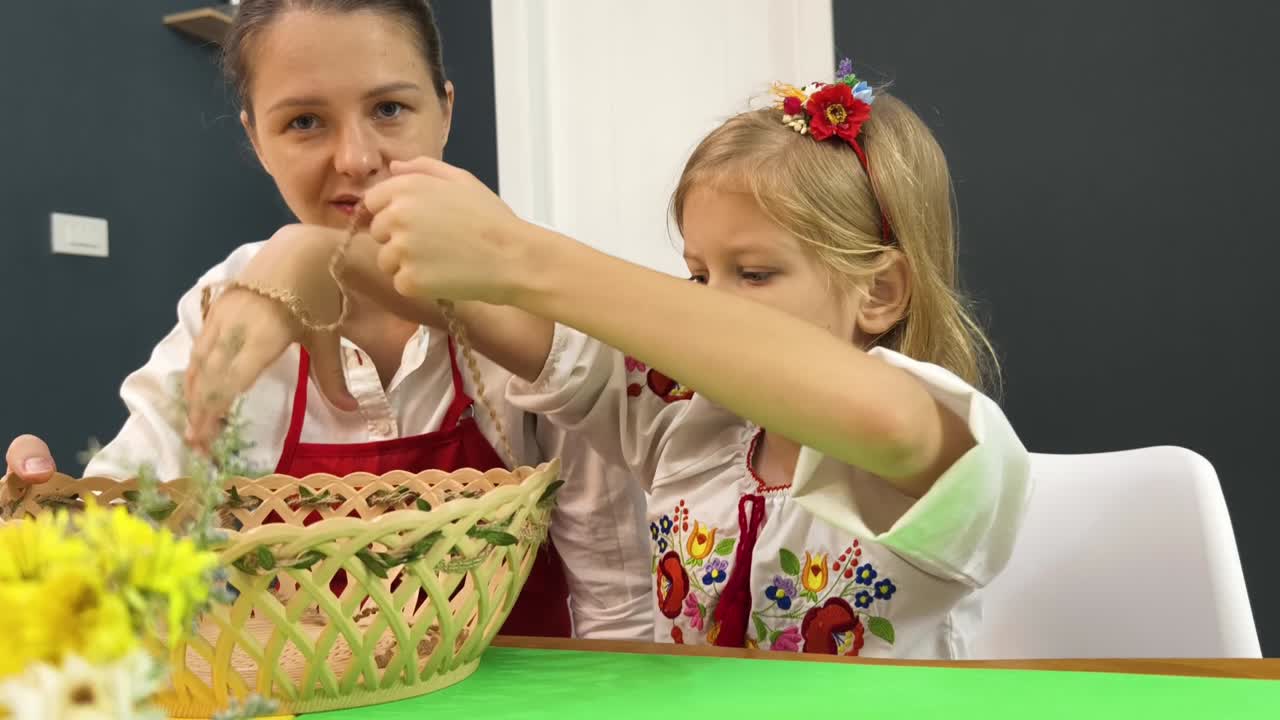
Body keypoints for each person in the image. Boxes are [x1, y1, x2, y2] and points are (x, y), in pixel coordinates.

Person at [3, 0, 652, 641]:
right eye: (306, 121)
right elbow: (130, 528)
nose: (355, 158)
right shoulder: (223, 307)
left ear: (446, 111)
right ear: (256, 138)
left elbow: (615, 597)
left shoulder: (529, 297)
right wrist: (51, 531)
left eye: (389, 109)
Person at [348, 61, 1033, 656]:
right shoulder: (683, 423)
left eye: (755, 274)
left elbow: (889, 422)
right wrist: (306, 254)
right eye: (700, 277)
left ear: (880, 292)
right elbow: (484, 312)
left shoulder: (945, 462)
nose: (711, 304)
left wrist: (520, 254)